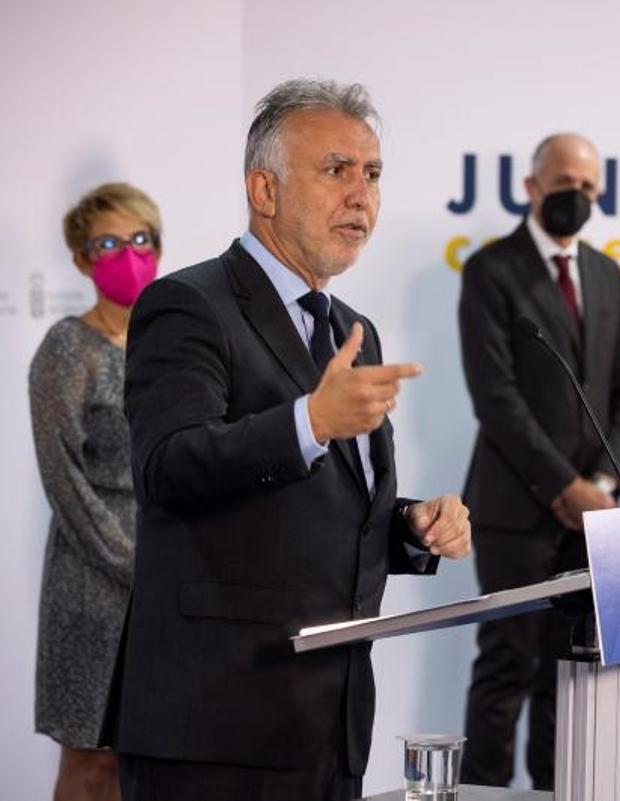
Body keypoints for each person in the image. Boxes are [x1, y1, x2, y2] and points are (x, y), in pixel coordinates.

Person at [111, 79, 471, 801]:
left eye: (372, 174)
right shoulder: (188, 304)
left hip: (327, 722)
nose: (361, 195)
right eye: (336, 169)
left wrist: (410, 524)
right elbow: (169, 466)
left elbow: (327, 501)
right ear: (263, 189)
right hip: (216, 728)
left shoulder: (348, 328)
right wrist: (309, 420)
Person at [457, 132, 620, 790]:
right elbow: (496, 397)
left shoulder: (606, 272)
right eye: (566, 183)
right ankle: (482, 791)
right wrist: (562, 485)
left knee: (565, 676)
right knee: (507, 668)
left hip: (592, 516)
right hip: (515, 510)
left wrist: (597, 484)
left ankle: (551, 791)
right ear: (532, 186)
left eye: (591, 188)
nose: (580, 197)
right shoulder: (491, 270)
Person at [30, 182, 162, 801]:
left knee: (144, 757)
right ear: (82, 258)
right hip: (91, 584)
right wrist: (134, 562)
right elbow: (64, 479)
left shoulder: (168, 346)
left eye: (140, 239)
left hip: (165, 573)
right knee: (92, 763)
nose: (128, 254)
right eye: (108, 243)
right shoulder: (66, 348)